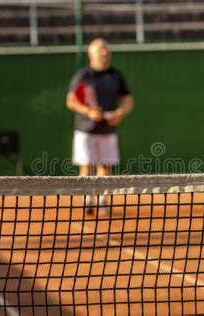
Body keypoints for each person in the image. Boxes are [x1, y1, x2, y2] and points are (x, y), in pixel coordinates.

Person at [66, 38, 134, 214]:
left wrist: (120, 114)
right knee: (86, 167)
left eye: (106, 50)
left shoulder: (116, 75)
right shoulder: (83, 75)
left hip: (108, 130)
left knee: (105, 167)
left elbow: (127, 100)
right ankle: (88, 201)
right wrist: (89, 112)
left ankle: (102, 202)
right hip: (85, 131)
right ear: (91, 54)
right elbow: (71, 101)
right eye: (100, 50)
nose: (104, 53)